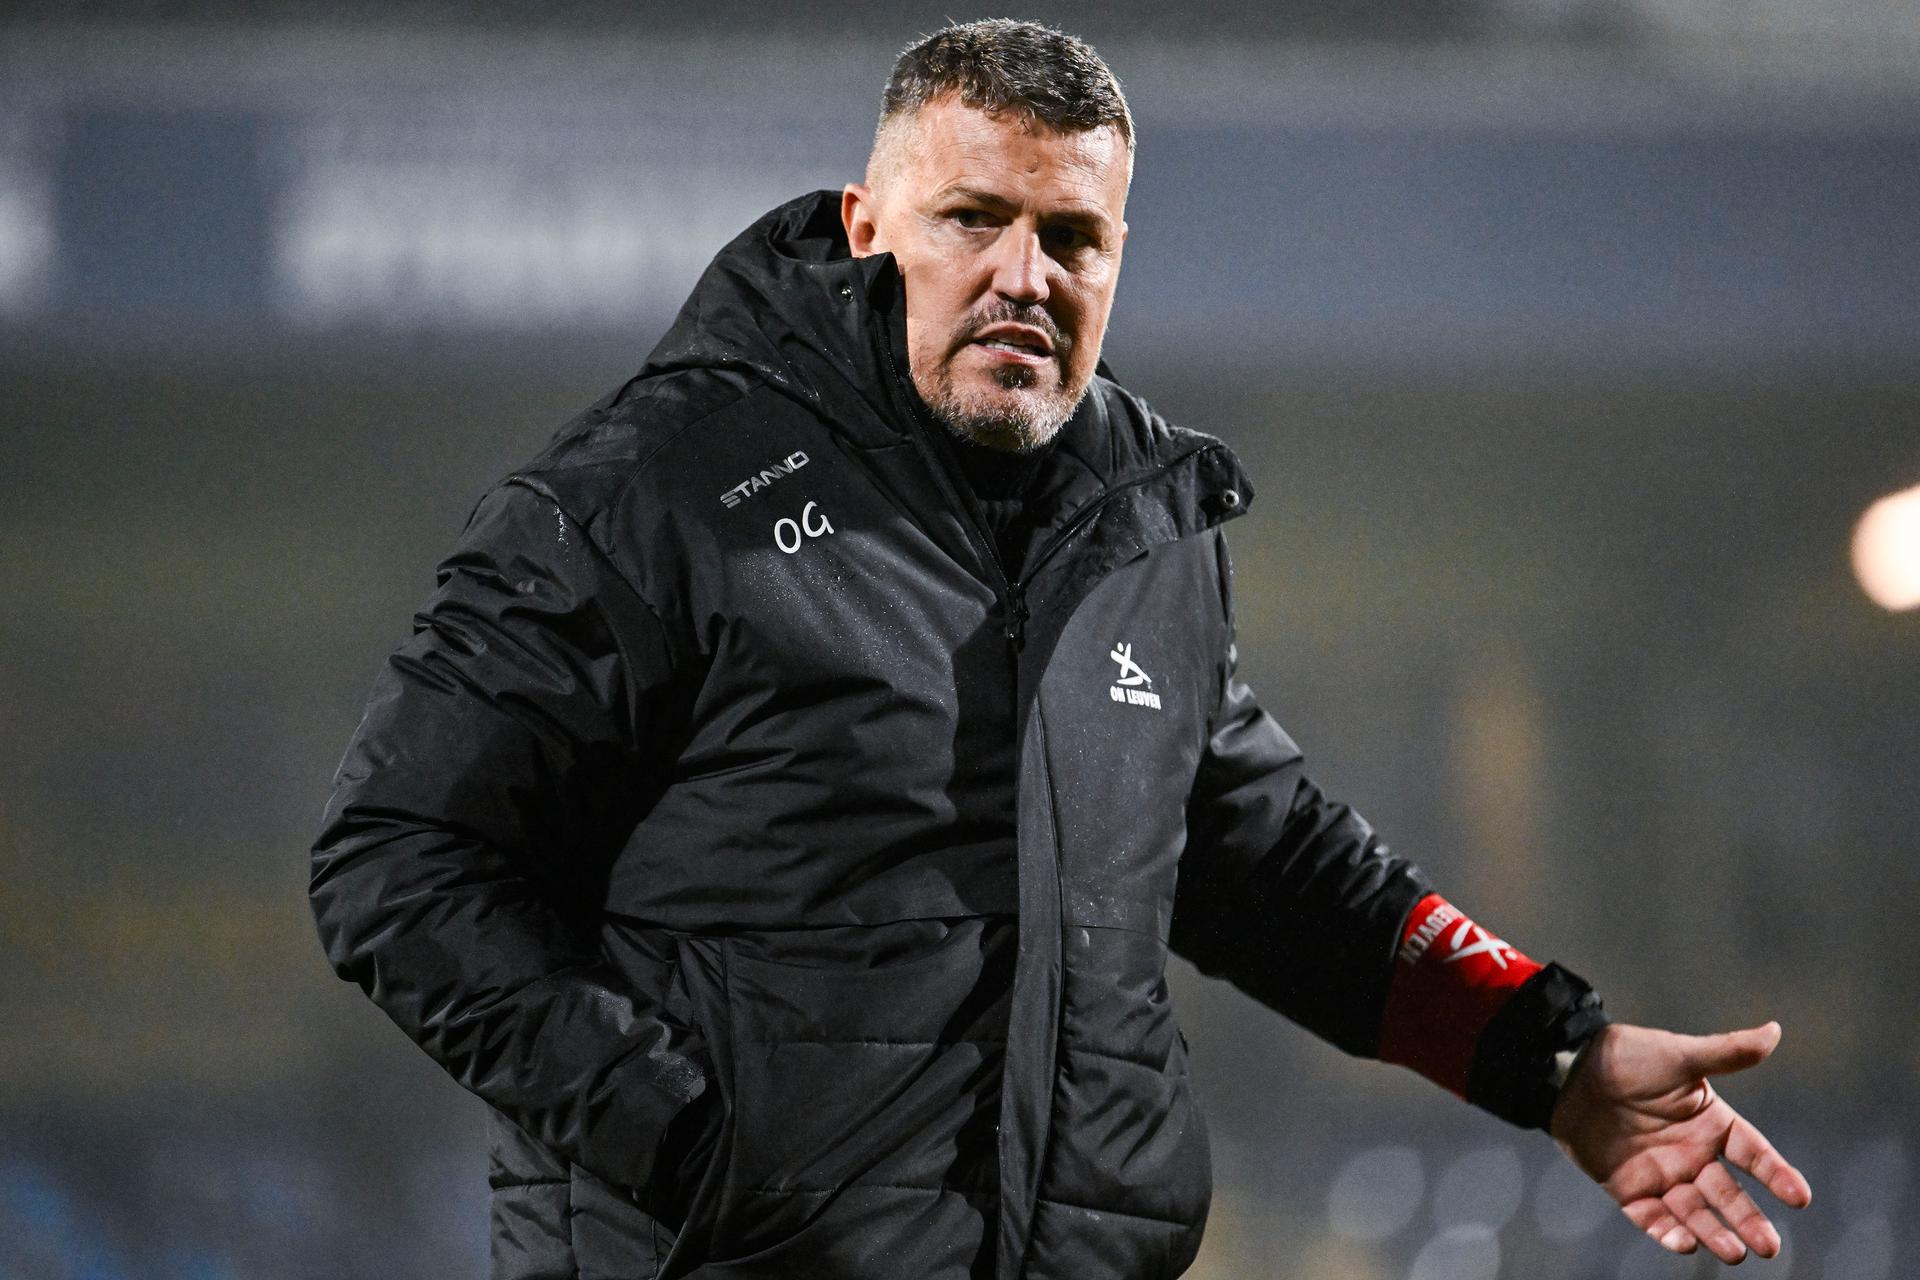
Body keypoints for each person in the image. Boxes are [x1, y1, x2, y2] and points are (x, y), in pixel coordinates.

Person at [309, 19, 1811, 1280]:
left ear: (1118, 260)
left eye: (1074, 237)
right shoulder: (653, 489)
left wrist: (1546, 1058)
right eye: (975, 220)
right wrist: (689, 1146)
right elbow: (395, 860)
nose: (1026, 274)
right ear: (866, 227)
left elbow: (1266, 863)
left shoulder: (1141, 524)